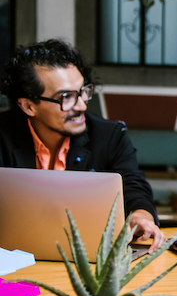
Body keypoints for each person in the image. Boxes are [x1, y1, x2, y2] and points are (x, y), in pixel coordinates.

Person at [0, 39, 165, 252]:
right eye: (66, 97)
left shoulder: (109, 135)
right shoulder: (3, 135)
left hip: (88, 259)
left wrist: (140, 216)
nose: (81, 105)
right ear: (28, 106)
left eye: (83, 91)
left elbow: (132, 186)